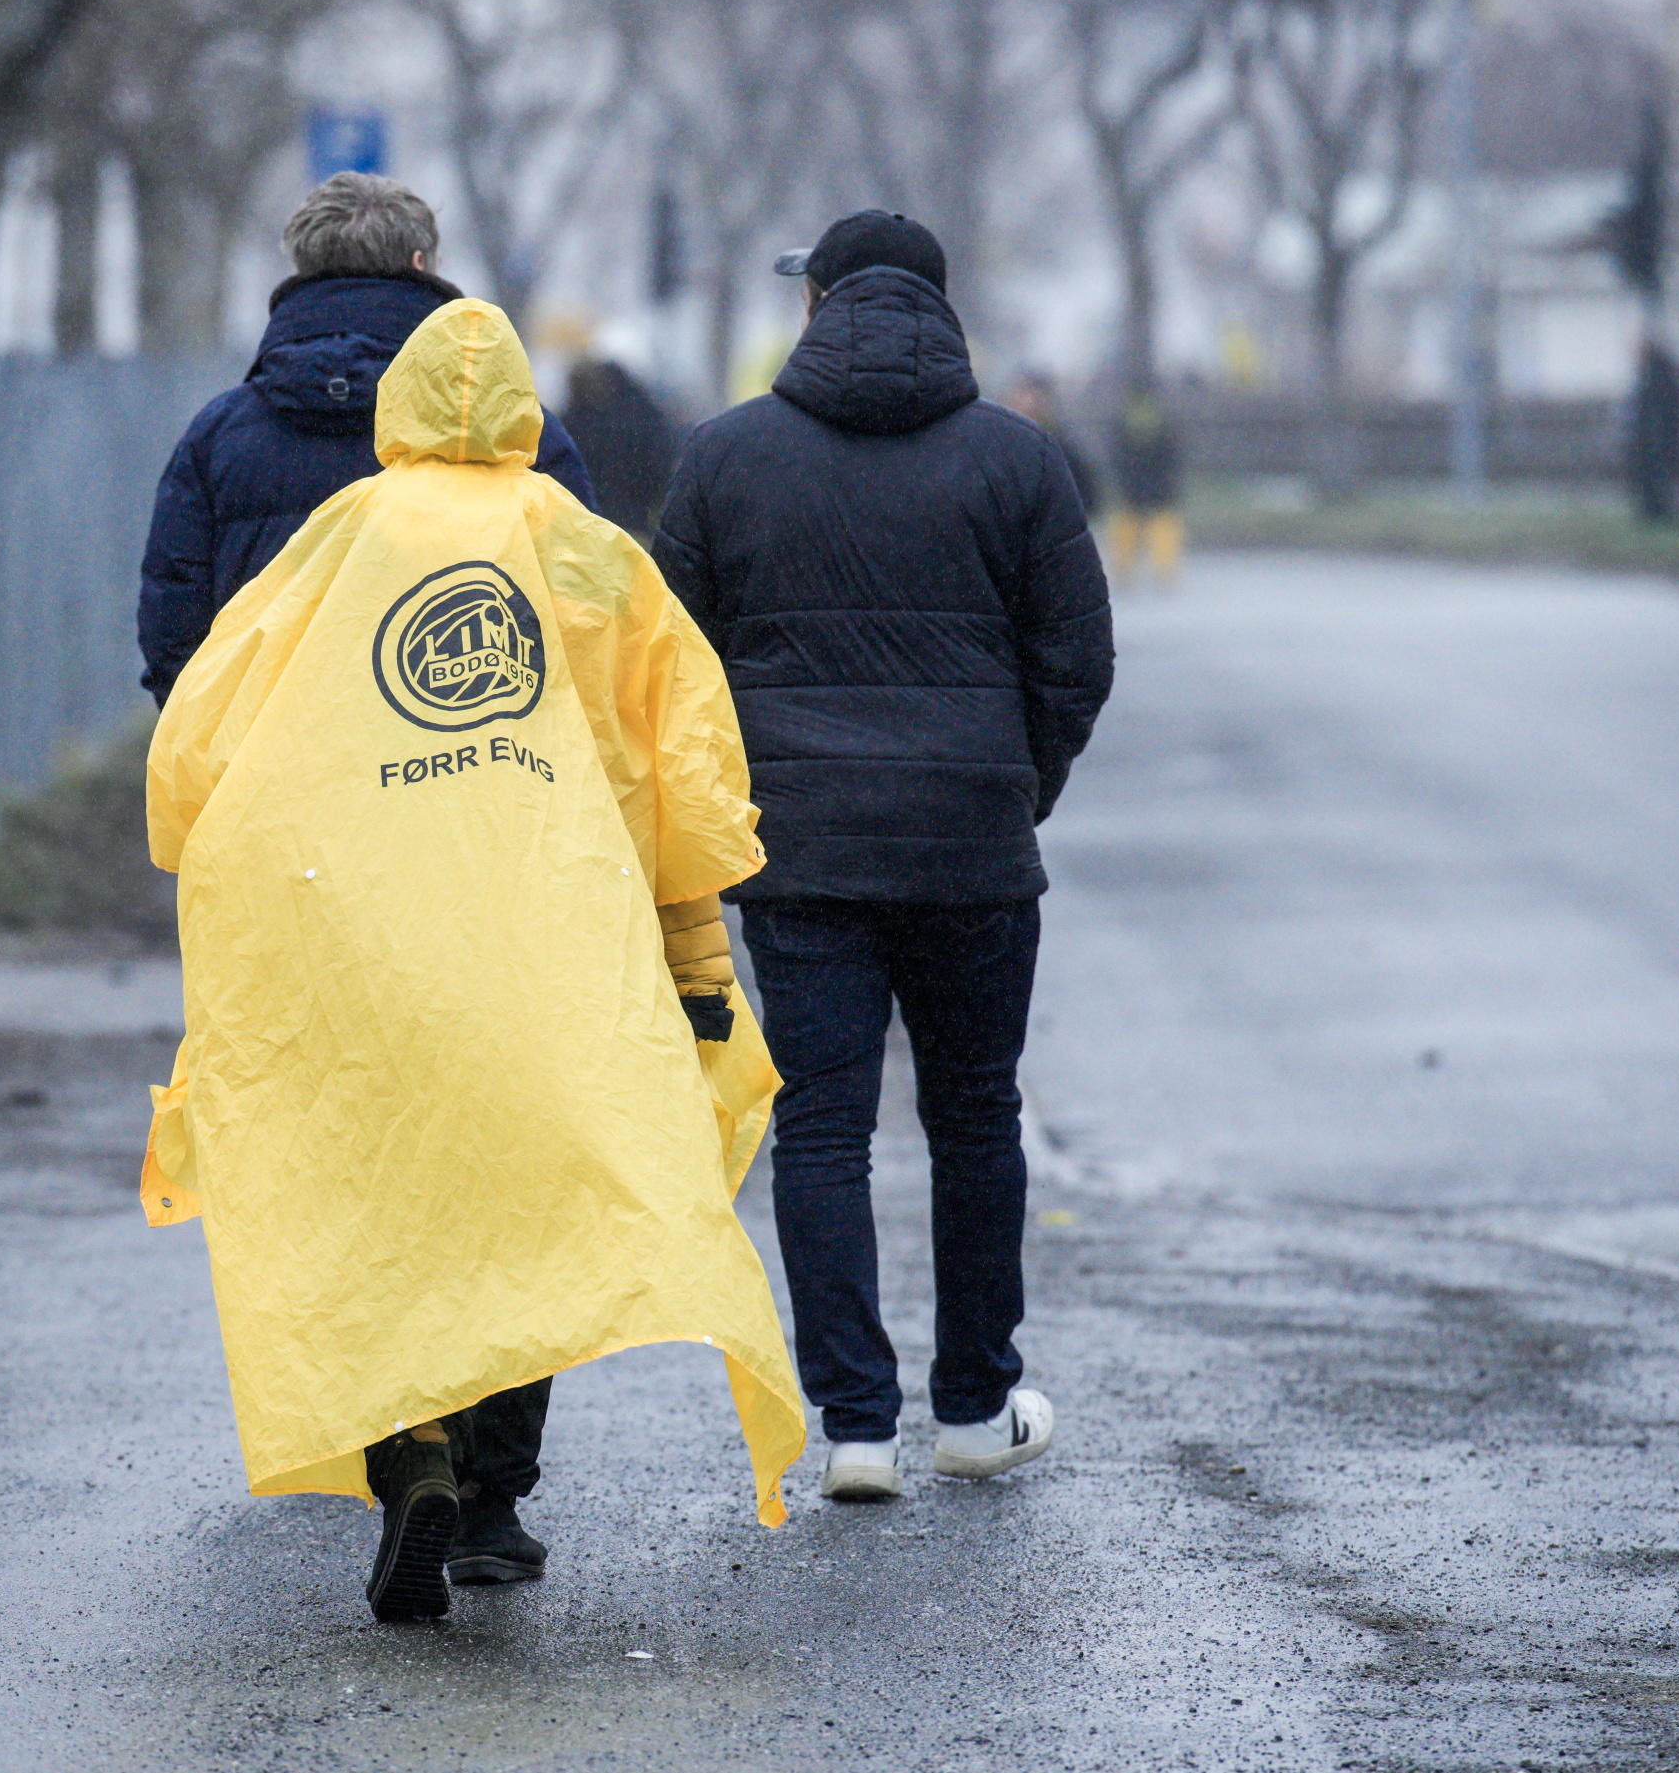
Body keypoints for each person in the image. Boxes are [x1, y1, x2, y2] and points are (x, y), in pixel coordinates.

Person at [143, 297, 806, 1621]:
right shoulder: (590, 554)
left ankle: (418, 1459)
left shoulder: (339, 545)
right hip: (556, 941)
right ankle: (495, 1503)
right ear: (523, 412)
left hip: (368, 937)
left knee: (392, 1202)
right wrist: (698, 969)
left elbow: (202, 743)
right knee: (526, 1210)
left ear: (395, 409)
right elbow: (687, 778)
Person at [655, 210, 1114, 1502]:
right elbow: (1078, 659)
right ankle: (973, 1407)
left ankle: (854, 1428)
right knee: (976, 1118)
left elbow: (666, 664)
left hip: (800, 858)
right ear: (940, 308)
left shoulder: (724, 459)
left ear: (820, 308)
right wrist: (1016, 787)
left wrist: (738, 807)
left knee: (823, 1129)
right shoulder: (1017, 462)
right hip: (973, 847)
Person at [136, 173, 597, 704]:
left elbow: (173, 633)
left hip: (272, 773)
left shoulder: (219, 436)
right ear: (421, 265)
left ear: (304, 269)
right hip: (464, 766)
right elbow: (582, 607)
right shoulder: (512, 427)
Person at [561, 357, 680, 541]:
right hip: (635, 525)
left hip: (586, 530)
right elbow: (662, 470)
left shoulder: (573, 422)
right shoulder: (643, 416)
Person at [1005, 371, 1105, 522]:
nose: (1029, 401)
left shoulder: (1061, 447)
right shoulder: (996, 443)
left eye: (1036, 396)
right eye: (1023, 393)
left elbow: (1086, 497)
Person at [1108, 386, 1184, 584]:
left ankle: (1125, 568)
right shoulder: (1163, 421)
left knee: (1131, 522)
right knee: (1160, 522)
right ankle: (1163, 569)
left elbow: (1118, 455)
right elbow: (1172, 455)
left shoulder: (1124, 420)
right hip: (1157, 482)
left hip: (1134, 481)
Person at [1625, 332, 1679, 524]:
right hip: (1660, 436)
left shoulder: (1656, 375)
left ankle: (1658, 512)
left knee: (1657, 477)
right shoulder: (1664, 372)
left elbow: (1655, 409)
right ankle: (1658, 511)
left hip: (1657, 437)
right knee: (1659, 477)